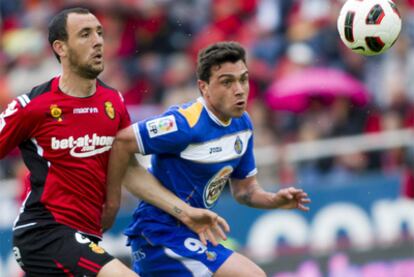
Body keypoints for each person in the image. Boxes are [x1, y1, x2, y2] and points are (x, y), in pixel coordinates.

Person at [0, 8, 229, 277]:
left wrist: (186, 213)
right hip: (45, 232)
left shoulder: (113, 102)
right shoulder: (32, 106)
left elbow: (129, 170)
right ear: (60, 47)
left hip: (89, 235)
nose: (97, 41)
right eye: (85, 34)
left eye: (99, 33)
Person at [108, 41, 311, 277]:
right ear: (203, 87)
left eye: (243, 79)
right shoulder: (184, 123)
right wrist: (112, 202)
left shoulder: (243, 124)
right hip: (160, 235)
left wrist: (272, 199)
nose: (239, 89)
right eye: (227, 82)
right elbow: (121, 142)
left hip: (195, 233)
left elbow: (244, 191)